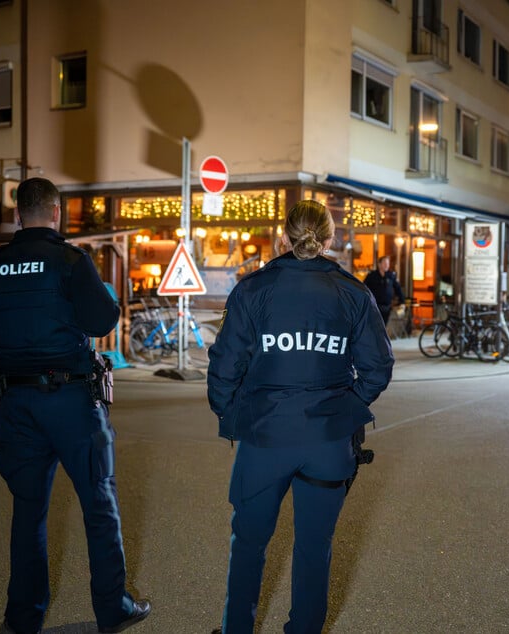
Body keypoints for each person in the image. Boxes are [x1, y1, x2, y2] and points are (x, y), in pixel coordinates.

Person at [0, 177, 150, 634]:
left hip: (17, 404)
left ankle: (23, 619)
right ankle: (112, 608)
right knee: (99, 504)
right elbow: (103, 320)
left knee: (28, 512)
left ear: (17, 214)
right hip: (73, 402)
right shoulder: (70, 261)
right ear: (57, 213)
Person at [207, 199, 394, 634]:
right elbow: (378, 367)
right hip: (327, 442)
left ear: (283, 238)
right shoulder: (353, 292)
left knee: (249, 543)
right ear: (330, 240)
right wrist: (345, 409)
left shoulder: (253, 290)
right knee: (314, 546)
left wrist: (236, 415)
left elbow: (224, 368)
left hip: (265, 438)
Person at [363, 255, 404, 325]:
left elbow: (398, 288)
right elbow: (364, 288)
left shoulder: (391, 275)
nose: (387, 265)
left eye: (388, 263)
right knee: (375, 325)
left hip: (387, 307)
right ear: (379, 264)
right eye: (385, 263)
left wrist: (402, 301)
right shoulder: (372, 275)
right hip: (374, 306)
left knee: (384, 325)